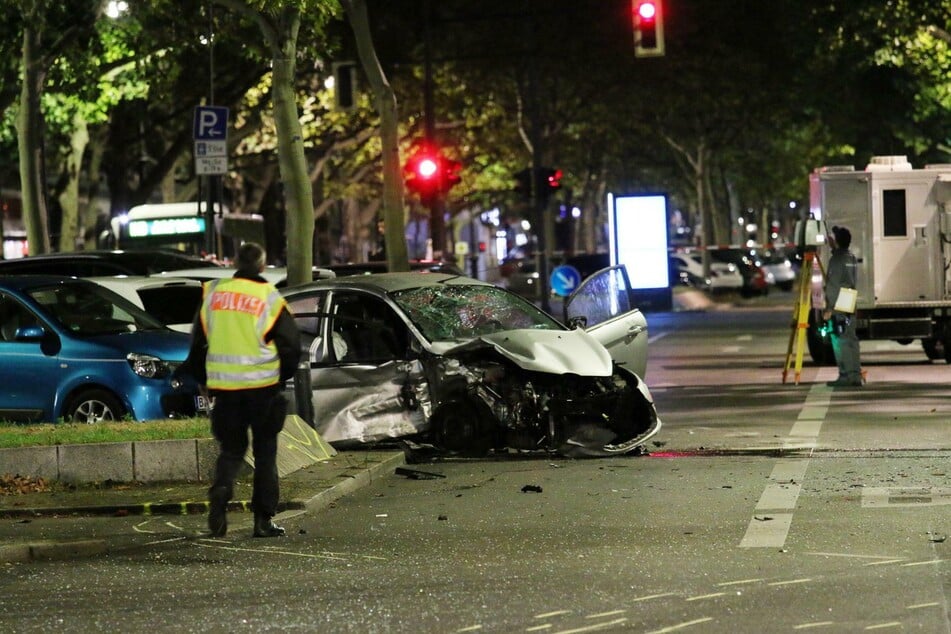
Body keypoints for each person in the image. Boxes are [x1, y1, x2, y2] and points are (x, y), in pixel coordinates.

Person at [178, 242, 301, 538]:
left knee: (231, 450)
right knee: (265, 453)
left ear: (235, 262)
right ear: (262, 265)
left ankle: (221, 492)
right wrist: (281, 376)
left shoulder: (214, 294)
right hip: (263, 390)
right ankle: (263, 520)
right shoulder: (269, 298)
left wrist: (202, 379)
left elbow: (198, 342)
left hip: (226, 391)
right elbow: (291, 346)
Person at [823, 225, 862, 387]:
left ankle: (846, 375)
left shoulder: (836, 260)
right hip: (850, 297)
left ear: (836, 241)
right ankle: (855, 374)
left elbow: (833, 285)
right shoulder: (851, 257)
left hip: (840, 300)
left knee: (840, 339)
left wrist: (829, 308)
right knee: (851, 338)